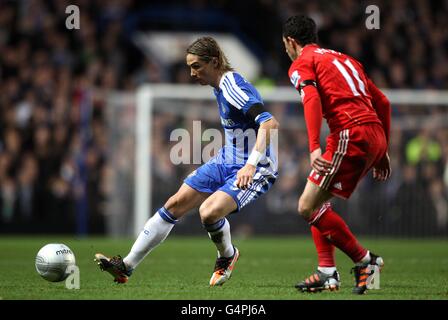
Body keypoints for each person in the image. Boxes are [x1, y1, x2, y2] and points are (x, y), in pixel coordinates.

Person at [94, 36, 279, 286]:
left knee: (209, 212)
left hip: (256, 166)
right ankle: (126, 266)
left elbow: (269, 123)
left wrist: (250, 164)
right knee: (175, 203)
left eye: (196, 66)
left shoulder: (232, 86)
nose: (192, 73)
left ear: (214, 62)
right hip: (228, 157)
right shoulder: (219, 86)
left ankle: (227, 255)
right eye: (190, 66)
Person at [282, 15, 391, 294]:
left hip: (349, 133)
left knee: (306, 206)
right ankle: (327, 272)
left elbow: (311, 97)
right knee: (317, 202)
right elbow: (383, 102)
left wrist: (313, 146)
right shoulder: (346, 59)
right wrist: (384, 148)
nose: (285, 50)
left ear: (291, 42)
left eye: (285, 45)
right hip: (372, 133)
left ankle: (366, 261)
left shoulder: (301, 62)